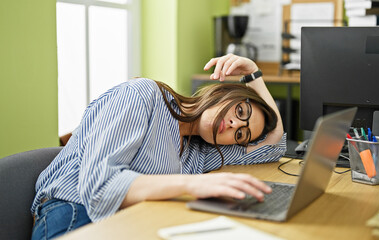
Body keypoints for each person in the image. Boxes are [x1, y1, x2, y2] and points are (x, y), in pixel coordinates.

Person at [31, 54, 287, 240]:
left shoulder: (200, 153)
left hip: (131, 220)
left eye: (242, 134)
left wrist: (254, 74)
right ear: (224, 92)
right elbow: (100, 188)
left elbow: (272, 143)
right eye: (240, 110)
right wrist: (193, 185)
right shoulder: (142, 95)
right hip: (72, 213)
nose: (233, 125)